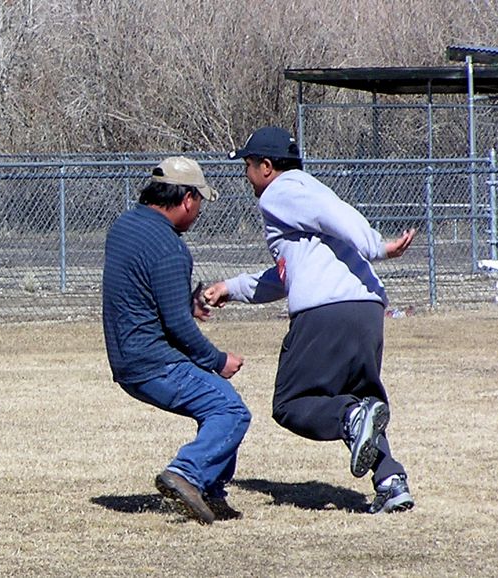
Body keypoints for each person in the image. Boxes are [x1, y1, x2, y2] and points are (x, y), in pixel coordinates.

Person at [203, 127, 415, 514]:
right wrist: (230, 289)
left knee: (292, 403)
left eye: (248, 165)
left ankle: (352, 419)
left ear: (266, 167)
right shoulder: (296, 200)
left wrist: (376, 246)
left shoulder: (283, 191)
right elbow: (288, 275)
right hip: (364, 310)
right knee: (363, 402)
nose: (246, 174)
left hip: (326, 312)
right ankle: (391, 481)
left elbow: (333, 213)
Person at [102, 156, 251, 525]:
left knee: (220, 403)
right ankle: (186, 474)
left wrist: (187, 304)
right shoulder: (170, 247)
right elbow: (177, 328)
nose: (199, 212)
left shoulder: (125, 226)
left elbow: (143, 293)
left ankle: (212, 493)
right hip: (154, 362)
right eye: (199, 202)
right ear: (187, 199)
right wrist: (218, 360)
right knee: (231, 412)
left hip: (126, 360)